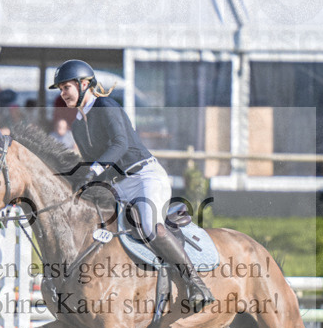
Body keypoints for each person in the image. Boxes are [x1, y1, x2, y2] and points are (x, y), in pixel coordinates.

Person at [51, 59, 215, 312]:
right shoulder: (77, 126)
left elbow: (120, 144)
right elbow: (91, 164)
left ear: (84, 84)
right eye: (61, 89)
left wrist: (94, 170)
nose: (63, 94)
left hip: (144, 177)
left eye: (66, 87)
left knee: (150, 228)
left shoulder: (106, 106)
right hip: (118, 187)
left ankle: (196, 284)